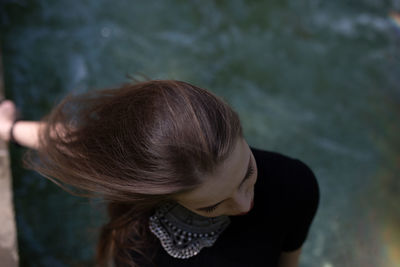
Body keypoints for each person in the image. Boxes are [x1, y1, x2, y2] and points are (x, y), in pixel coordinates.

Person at [0, 80, 320, 267]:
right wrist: (11, 130)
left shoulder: (294, 183)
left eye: (247, 172)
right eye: (211, 205)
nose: (244, 205)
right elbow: (79, 146)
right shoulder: (143, 246)